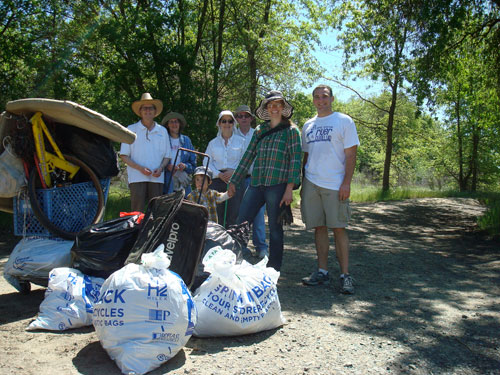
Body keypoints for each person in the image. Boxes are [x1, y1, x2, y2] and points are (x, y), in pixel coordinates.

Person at [228, 90, 302, 271]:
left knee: (275, 229)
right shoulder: (260, 130)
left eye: (277, 105)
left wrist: (289, 189)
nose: (274, 108)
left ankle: (273, 269)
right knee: (241, 223)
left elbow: (295, 159)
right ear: (266, 109)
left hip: (277, 185)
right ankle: (232, 263)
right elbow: (248, 156)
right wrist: (234, 181)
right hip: (256, 183)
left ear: (283, 108)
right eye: (270, 105)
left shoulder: (292, 131)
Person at [300, 84, 359, 294]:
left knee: (339, 228)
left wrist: (346, 183)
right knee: (319, 228)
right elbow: (305, 156)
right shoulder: (308, 125)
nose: (320, 100)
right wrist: (301, 181)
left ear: (332, 99)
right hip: (312, 183)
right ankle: (322, 272)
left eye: (324, 96)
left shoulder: (344, 121)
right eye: (316, 97)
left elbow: (351, 155)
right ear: (313, 100)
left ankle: (345, 275)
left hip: (335, 184)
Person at [120, 93, 171, 213]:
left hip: (156, 178)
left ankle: (153, 232)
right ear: (140, 111)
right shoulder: (131, 129)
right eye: (145, 108)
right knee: (136, 213)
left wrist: (161, 168)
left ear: (155, 111)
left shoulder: (162, 131)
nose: (148, 111)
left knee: (156, 211)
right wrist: (140, 168)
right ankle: (136, 232)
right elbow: (124, 155)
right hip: (137, 177)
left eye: (151, 108)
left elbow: (167, 156)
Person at [234, 105, 268, 258]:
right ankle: (240, 246)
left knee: (258, 215)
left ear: (251, 118)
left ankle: (261, 247)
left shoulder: (258, 134)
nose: (243, 119)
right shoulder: (231, 134)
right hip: (237, 179)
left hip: (255, 179)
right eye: (240, 116)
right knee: (239, 215)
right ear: (236, 119)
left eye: (246, 116)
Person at [204, 110, 246, 227]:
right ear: (219, 123)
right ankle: (216, 242)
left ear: (234, 123)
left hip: (236, 180)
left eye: (230, 121)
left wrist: (234, 172)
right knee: (217, 213)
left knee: (234, 213)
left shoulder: (242, 142)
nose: (227, 124)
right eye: (224, 121)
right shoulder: (212, 143)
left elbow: (246, 160)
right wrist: (219, 174)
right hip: (217, 180)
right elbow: (206, 162)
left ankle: (232, 242)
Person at [161, 112, 196, 196]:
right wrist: (166, 167)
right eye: (171, 122)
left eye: (176, 121)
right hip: (167, 181)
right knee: (169, 207)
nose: (174, 124)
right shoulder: (162, 140)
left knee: (186, 207)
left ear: (180, 124)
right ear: (167, 125)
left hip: (183, 181)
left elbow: (193, 165)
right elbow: (156, 161)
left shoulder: (186, 140)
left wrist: (185, 166)